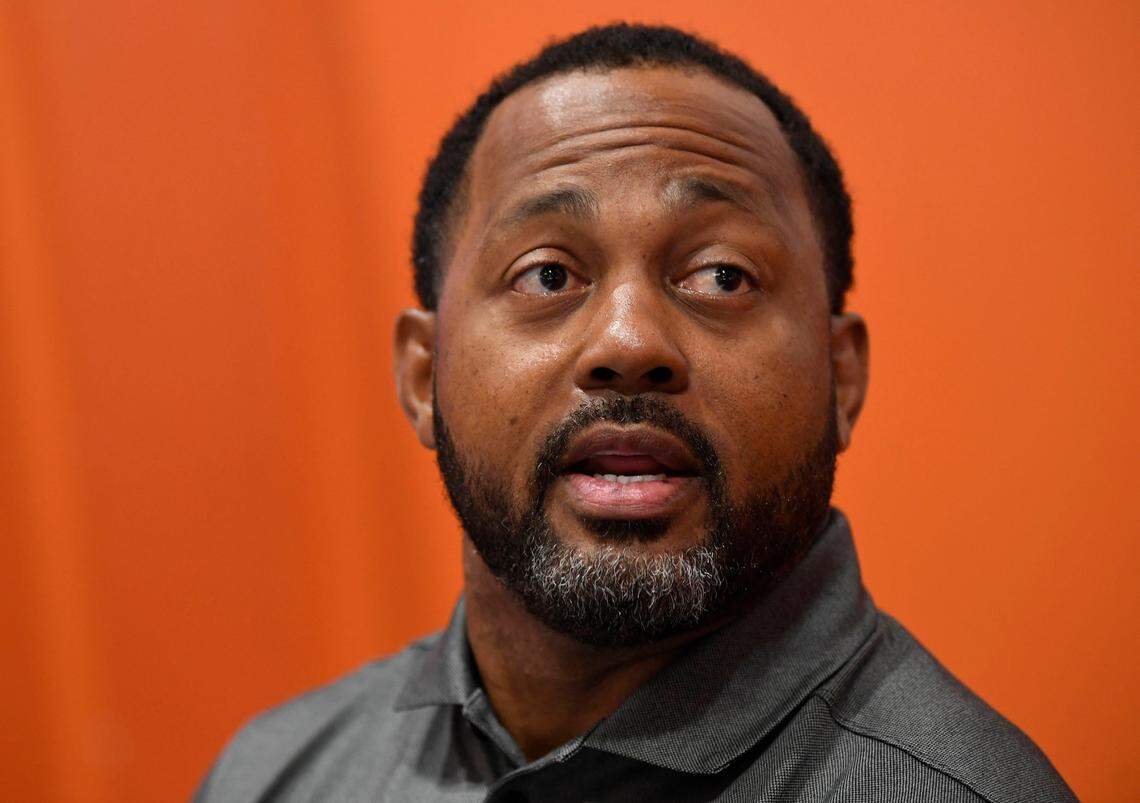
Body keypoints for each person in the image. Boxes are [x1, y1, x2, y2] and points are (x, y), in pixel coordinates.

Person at [195, 23, 1074, 802]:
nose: (627, 340)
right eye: (547, 273)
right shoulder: (271, 777)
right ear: (425, 377)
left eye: (722, 275)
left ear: (841, 378)